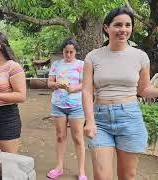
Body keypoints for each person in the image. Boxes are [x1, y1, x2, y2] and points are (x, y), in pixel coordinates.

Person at [83, 7, 158, 180]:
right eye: (117, 25)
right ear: (106, 28)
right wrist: (90, 121)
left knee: (128, 176)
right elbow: (87, 91)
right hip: (100, 119)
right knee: (102, 176)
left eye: (128, 25)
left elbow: (144, 90)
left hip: (130, 117)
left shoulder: (140, 56)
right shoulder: (93, 57)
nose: (123, 29)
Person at [46, 38, 86, 179]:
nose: (68, 55)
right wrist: (56, 84)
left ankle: (81, 171)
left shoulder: (82, 64)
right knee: (60, 136)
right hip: (58, 105)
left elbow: (85, 84)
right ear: (62, 51)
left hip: (77, 106)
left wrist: (74, 88)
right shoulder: (56, 64)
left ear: (75, 52)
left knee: (78, 138)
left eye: (71, 52)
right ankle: (59, 167)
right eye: (66, 52)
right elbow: (49, 82)